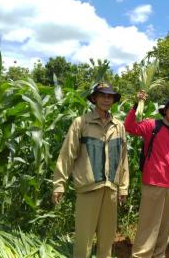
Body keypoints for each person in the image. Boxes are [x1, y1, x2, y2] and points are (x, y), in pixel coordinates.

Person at [52, 82, 129, 258]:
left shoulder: (118, 126)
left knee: (107, 238)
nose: (106, 99)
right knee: (83, 239)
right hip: (88, 189)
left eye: (110, 96)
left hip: (111, 189)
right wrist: (59, 184)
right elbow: (67, 154)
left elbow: (123, 159)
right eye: (102, 95)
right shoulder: (81, 123)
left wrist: (123, 187)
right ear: (94, 98)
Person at [125, 90, 169, 258]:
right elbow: (130, 127)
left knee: (167, 224)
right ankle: (141, 254)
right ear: (165, 111)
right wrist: (136, 104)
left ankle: (159, 253)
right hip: (153, 182)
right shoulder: (152, 125)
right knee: (149, 222)